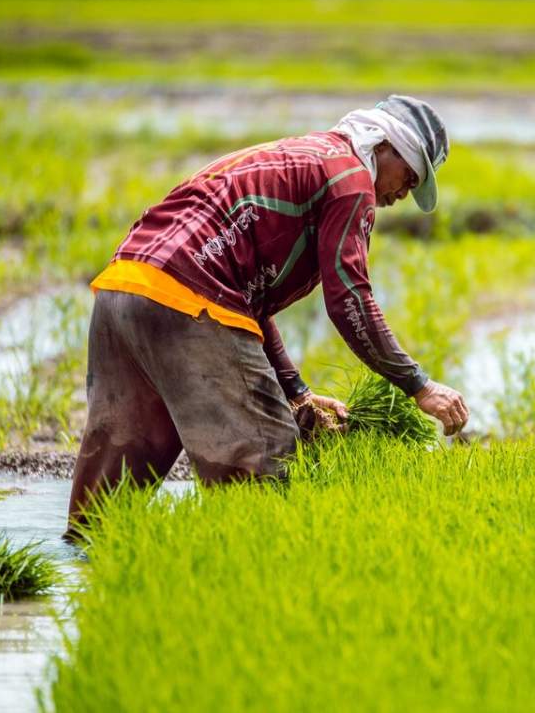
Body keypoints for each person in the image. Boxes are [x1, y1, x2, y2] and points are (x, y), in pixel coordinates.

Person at [66, 95, 469, 534]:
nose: (401, 195)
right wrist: (418, 385)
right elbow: (349, 297)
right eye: (408, 177)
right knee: (265, 454)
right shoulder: (352, 180)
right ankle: (246, 568)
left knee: (115, 477)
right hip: (190, 296)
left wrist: (297, 392)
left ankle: (82, 564)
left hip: (126, 287)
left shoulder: (307, 154)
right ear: (384, 146)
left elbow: (249, 300)